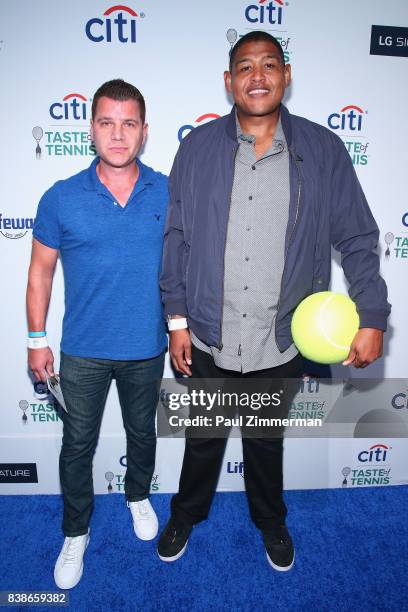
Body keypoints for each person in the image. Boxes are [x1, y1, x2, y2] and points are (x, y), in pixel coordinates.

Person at [158, 31, 390, 571]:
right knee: (204, 437)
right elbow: (175, 239)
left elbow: (355, 236)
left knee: (265, 442)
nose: (256, 76)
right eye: (244, 66)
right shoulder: (196, 148)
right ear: (228, 81)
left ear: (286, 76)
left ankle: (271, 520)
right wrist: (176, 319)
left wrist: (372, 314)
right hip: (211, 332)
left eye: (268, 65)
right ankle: (186, 514)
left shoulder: (323, 150)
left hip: (280, 336)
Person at [26, 79, 168, 589]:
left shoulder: (167, 191)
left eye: (129, 123)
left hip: (147, 347)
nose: (117, 134)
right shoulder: (61, 197)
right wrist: (35, 337)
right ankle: (75, 531)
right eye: (107, 122)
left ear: (144, 131)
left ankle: (136, 495)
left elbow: (187, 267)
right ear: (91, 129)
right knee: (77, 445)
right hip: (82, 351)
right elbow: (40, 271)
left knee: (142, 434)